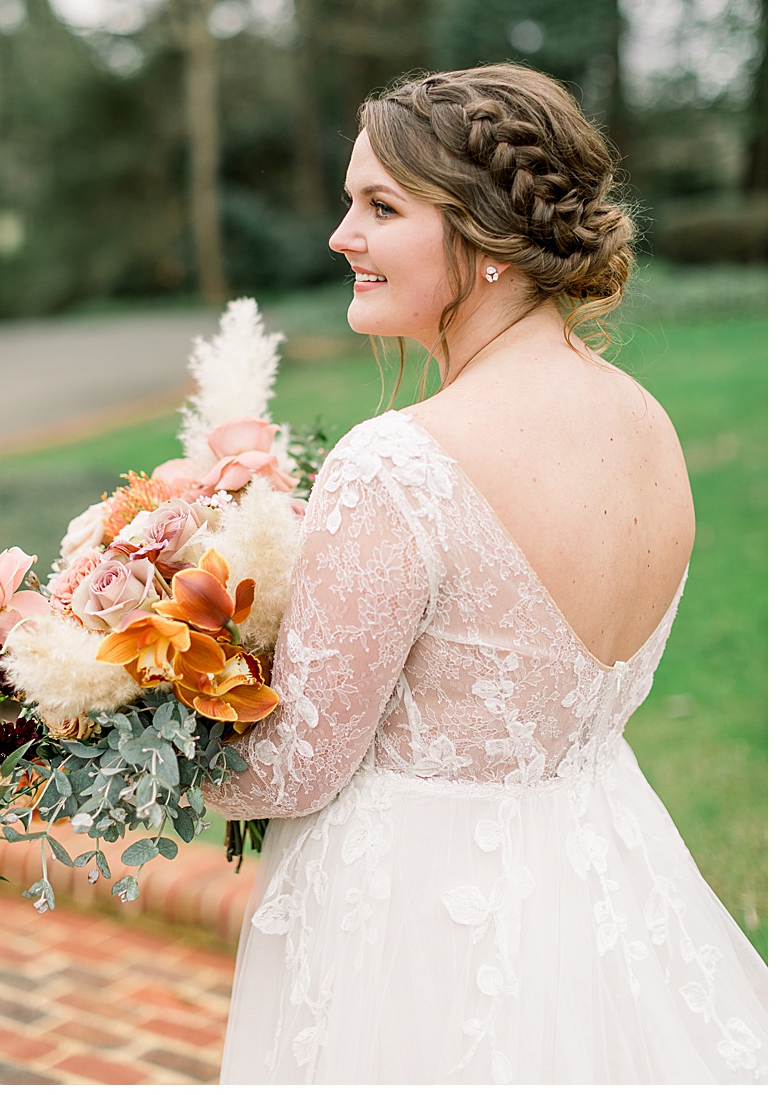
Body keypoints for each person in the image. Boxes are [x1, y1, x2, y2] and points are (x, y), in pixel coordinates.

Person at [207, 65, 765, 1082]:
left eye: (380, 205)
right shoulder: (648, 426)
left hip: (416, 934)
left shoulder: (397, 462)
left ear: (489, 239)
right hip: (601, 886)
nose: (342, 235)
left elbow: (296, 767)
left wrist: (128, 709)